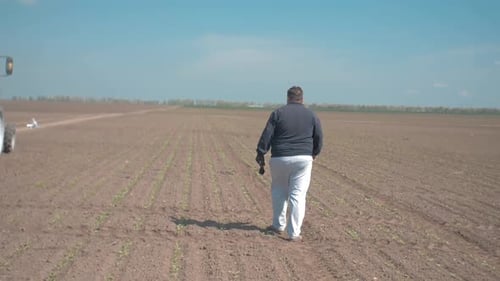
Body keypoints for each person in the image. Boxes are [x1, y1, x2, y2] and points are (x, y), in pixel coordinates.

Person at [256, 86, 323, 241]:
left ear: (287, 98)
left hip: (280, 157)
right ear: (302, 99)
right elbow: (319, 136)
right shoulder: (311, 114)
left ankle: (278, 225)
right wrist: (314, 153)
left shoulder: (278, 113)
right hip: (303, 159)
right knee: (297, 195)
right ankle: (294, 233)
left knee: (279, 190)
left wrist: (261, 152)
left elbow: (267, 134)